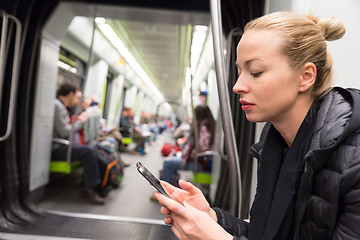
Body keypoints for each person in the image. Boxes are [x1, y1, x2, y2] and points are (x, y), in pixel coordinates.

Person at [154, 11, 360, 240]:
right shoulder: (275, 147)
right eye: (240, 71)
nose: (237, 86)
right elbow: (264, 235)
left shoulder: (354, 162)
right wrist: (212, 217)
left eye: (255, 72)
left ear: (306, 76)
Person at [52, 82, 104, 205]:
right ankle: (88, 190)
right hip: (57, 148)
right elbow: (64, 131)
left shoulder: (63, 107)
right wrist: (81, 122)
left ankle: (94, 185)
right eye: (76, 97)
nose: (78, 100)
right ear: (70, 94)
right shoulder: (57, 106)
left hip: (64, 145)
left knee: (91, 148)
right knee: (88, 151)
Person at [161, 105, 215, 186]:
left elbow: (202, 147)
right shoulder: (208, 125)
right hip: (200, 161)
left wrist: (188, 154)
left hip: (198, 163)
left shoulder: (203, 127)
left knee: (167, 162)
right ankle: (172, 185)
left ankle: (165, 191)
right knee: (172, 158)